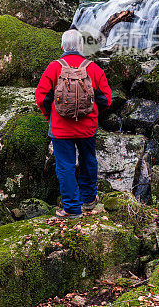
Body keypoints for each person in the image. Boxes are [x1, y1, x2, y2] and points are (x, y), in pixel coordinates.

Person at [35, 29, 112, 218]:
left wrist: (50, 116)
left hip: (61, 129)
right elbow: (106, 99)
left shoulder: (54, 68)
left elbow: (41, 97)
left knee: (65, 167)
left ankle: (71, 208)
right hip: (87, 128)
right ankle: (89, 200)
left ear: (62, 46)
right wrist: (91, 114)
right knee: (88, 161)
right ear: (81, 47)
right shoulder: (93, 68)